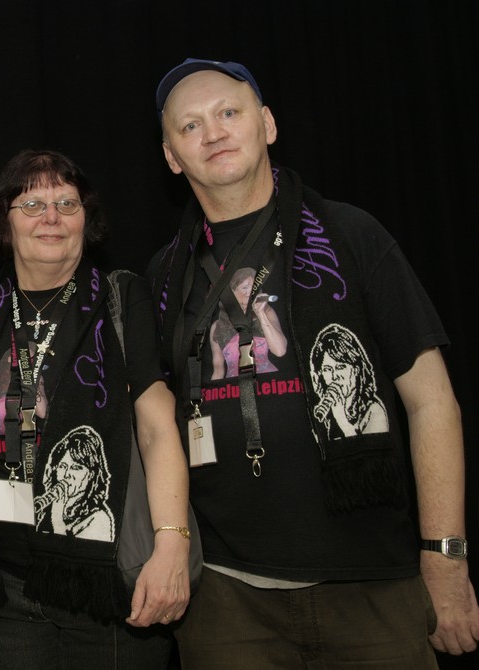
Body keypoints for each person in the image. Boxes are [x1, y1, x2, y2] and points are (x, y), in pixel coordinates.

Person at [148, 57, 479, 666]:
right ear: (172, 156)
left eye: (228, 112)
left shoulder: (352, 234)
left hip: (372, 582)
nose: (213, 132)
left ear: (267, 124)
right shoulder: (165, 274)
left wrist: (445, 557)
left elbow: (432, 402)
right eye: (190, 126)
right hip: (224, 596)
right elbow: (156, 429)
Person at [0, 149, 191, 668]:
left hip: (105, 583)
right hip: (1, 586)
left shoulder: (124, 299)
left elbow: (158, 428)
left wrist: (172, 545)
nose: (51, 216)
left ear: (84, 219)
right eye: (32, 204)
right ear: (4, 221)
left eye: (66, 203)